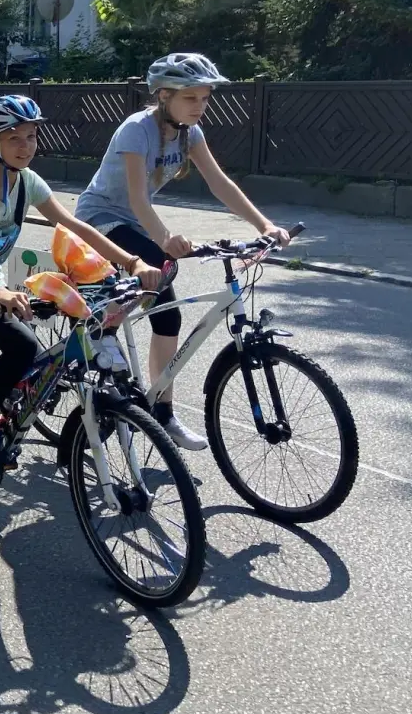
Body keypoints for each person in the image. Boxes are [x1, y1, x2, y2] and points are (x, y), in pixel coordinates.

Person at [0, 95, 162, 468]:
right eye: (15, 138)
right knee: (21, 346)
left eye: (32, 137)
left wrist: (131, 261)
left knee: (36, 354)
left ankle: (0, 401)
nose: (26, 146)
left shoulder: (27, 181)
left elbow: (75, 226)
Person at [73, 53, 292, 451]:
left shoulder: (191, 134)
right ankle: (103, 356)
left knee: (166, 317)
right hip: (100, 220)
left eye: (205, 98)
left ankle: (161, 409)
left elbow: (219, 182)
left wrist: (264, 225)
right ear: (164, 96)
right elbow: (139, 199)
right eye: (191, 98)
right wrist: (165, 238)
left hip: (137, 225)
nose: (200, 105)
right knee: (160, 286)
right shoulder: (136, 130)